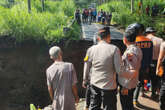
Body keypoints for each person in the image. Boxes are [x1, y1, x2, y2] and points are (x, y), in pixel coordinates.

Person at [83, 26, 121, 110]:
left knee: (95, 106)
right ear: (109, 37)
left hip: (95, 83)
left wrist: (85, 80)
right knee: (109, 107)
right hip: (109, 85)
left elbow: (87, 67)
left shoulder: (90, 49)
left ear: (98, 38)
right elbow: (119, 70)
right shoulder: (114, 49)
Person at [46, 46, 79, 110]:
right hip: (69, 100)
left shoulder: (48, 70)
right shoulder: (69, 66)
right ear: (60, 53)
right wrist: (76, 97)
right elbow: (73, 85)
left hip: (57, 101)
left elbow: (49, 88)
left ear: (51, 57)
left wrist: (54, 100)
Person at [118, 26, 143, 110]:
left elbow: (133, 70)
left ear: (125, 39)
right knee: (129, 104)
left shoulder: (130, 52)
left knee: (125, 105)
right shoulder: (137, 48)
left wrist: (126, 86)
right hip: (133, 82)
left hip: (127, 84)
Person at [132, 23, 153, 104]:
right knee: (141, 81)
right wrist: (148, 66)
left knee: (132, 82)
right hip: (144, 66)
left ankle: (131, 98)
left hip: (134, 65)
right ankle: (136, 99)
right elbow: (150, 56)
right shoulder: (149, 41)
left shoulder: (134, 40)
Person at [146, 27, 163, 98]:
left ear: (147, 33)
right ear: (154, 32)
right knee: (154, 79)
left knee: (146, 77)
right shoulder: (160, 40)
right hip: (156, 61)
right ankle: (153, 93)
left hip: (145, 61)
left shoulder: (143, 40)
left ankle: (144, 89)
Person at [156, 42, 165, 110]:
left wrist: (157, 69)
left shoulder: (164, 43)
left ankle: (162, 105)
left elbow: (160, 58)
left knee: (163, 85)